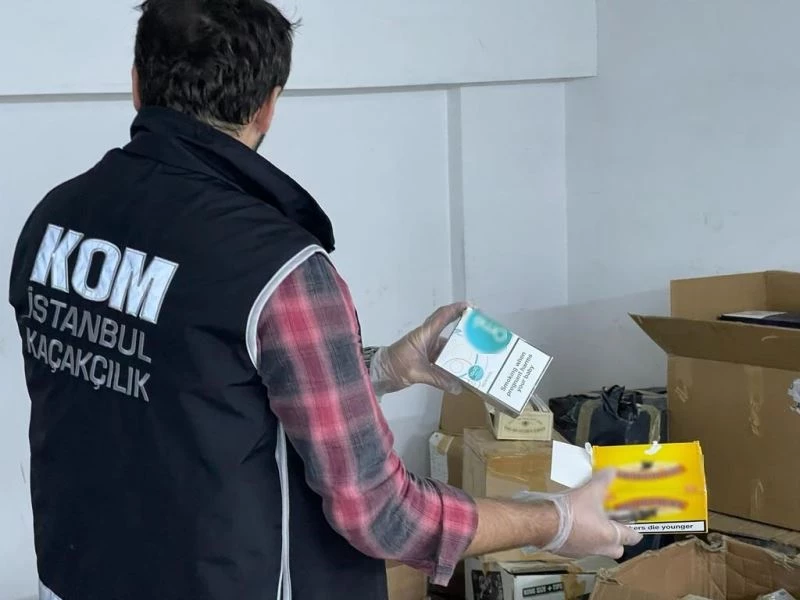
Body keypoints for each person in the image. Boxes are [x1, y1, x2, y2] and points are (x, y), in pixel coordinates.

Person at [8, 1, 642, 599]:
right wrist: (555, 520)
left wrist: (383, 368)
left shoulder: (53, 222)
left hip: (78, 577)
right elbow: (384, 516)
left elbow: (182, 381)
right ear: (267, 106)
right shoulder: (278, 268)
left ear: (136, 84)